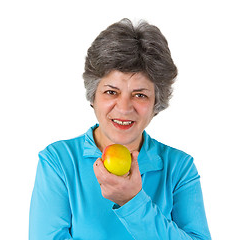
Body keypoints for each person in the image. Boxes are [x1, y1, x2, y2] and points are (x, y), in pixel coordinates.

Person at [29, 18, 211, 240]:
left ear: (156, 103)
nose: (124, 108)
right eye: (111, 92)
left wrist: (133, 202)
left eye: (140, 95)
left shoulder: (179, 168)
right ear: (93, 96)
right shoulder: (58, 161)